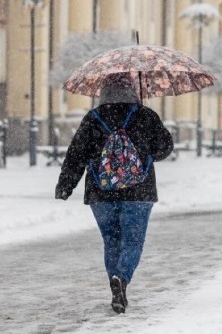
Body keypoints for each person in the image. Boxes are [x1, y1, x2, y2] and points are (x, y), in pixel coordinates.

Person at [55, 75, 174, 314]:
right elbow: (164, 148)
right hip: (139, 191)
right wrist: (144, 147)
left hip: (101, 191)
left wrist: (66, 184)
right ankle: (122, 277)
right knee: (132, 240)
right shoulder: (145, 115)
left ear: (103, 92)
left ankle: (115, 282)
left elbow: (76, 154)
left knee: (112, 240)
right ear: (132, 90)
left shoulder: (93, 118)